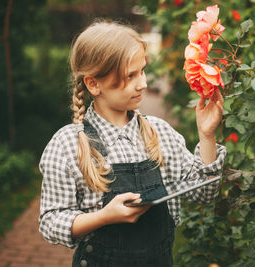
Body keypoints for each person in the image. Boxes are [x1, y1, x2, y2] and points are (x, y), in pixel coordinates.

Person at [38, 20, 226, 267]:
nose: (143, 83)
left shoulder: (160, 133)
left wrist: (207, 135)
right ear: (94, 84)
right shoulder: (68, 145)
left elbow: (205, 193)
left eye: (142, 71)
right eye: (130, 75)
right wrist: (104, 217)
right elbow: (51, 222)